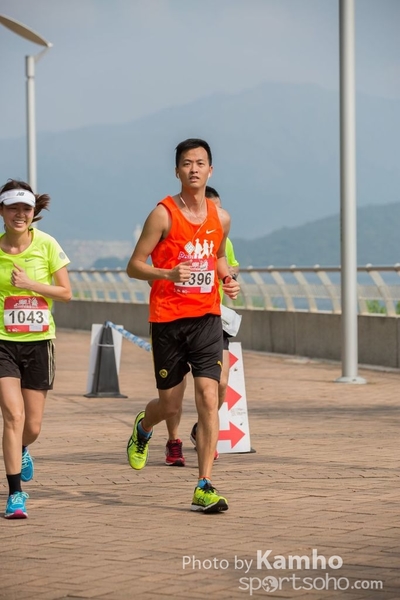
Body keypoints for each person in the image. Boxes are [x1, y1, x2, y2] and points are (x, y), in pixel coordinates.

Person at [126, 138, 240, 513]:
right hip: (168, 320)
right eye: (187, 163)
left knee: (209, 396)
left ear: (211, 170)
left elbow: (218, 256)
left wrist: (227, 279)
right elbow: (134, 266)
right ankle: (144, 427)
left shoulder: (221, 218)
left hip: (207, 318)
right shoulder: (162, 214)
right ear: (177, 171)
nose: (194, 169)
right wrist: (167, 273)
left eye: (200, 163)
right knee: (170, 405)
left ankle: (204, 484)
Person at [0, 180, 72, 519]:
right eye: (13, 207)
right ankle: (15, 494)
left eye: (25, 208)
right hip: (3, 342)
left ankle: (24, 447)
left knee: (32, 426)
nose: (20, 214)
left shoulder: (47, 245)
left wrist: (31, 285)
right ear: (2, 211)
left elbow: (66, 293)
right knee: (13, 416)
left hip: (39, 343)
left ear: (33, 212)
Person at [164, 185, 240, 467]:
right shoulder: (175, 233)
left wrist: (229, 278)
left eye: (218, 210)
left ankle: (203, 431)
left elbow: (229, 265)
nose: (215, 214)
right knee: (175, 393)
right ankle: (173, 440)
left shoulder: (221, 234)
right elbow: (154, 272)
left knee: (219, 384)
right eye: (210, 209)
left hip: (212, 317)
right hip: (176, 319)